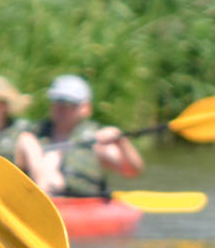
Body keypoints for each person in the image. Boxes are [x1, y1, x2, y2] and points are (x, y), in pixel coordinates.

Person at [15, 74, 144, 198]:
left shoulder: (96, 142)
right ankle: (44, 192)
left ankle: (48, 192)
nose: (61, 107)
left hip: (82, 205)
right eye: (57, 101)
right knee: (29, 142)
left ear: (85, 108)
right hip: (42, 197)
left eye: (68, 103)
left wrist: (121, 142)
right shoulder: (34, 136)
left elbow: (132, 171)